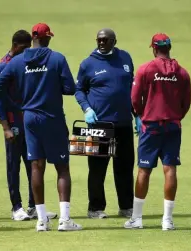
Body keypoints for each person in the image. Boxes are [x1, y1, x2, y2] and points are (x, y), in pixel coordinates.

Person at [0, 23, 82, 232]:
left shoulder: (16, 62)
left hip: (29, 118)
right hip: (52, 117)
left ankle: (41, 220)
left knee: (36, 166)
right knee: (62, 168)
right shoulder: (57, 58)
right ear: (48, 38)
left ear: (33, 39)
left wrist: (18, 104)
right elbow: (69, 88)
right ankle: (65, 220)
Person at [125, 33, 191, 230]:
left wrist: (141, 114)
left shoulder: (145, 69)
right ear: (169, 48)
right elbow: (186, 103)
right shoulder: (182, 72)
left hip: (151, 126)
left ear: (154, 48)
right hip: (173, 125)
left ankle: (137, 219)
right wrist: (176, 116)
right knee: (170, 169)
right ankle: (167, 220)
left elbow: (135, 99)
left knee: (144, 170)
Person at [0, 29, 57, 221]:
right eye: (24, 48)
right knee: (13, 166)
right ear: (15, 46)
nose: (27, 51)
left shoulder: (25, 62)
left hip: (28, 122)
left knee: (33, 164)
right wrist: (5, 127)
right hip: (13, 123)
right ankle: (16, 208)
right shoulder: (4, 66)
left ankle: (34, 206)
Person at [74, 28, 135, 219]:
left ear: (114, 41)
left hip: (124, 122)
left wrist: (137, 114)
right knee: (97, 169)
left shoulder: (125, 58)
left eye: (105, 40)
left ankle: (126, 207)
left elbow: (131, 86)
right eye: (99, 39)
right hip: (100, 124)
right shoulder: (88, 64)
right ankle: (95, 208)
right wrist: (87, 109)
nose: (101, 42)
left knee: (125, 168)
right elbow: (79, 90)